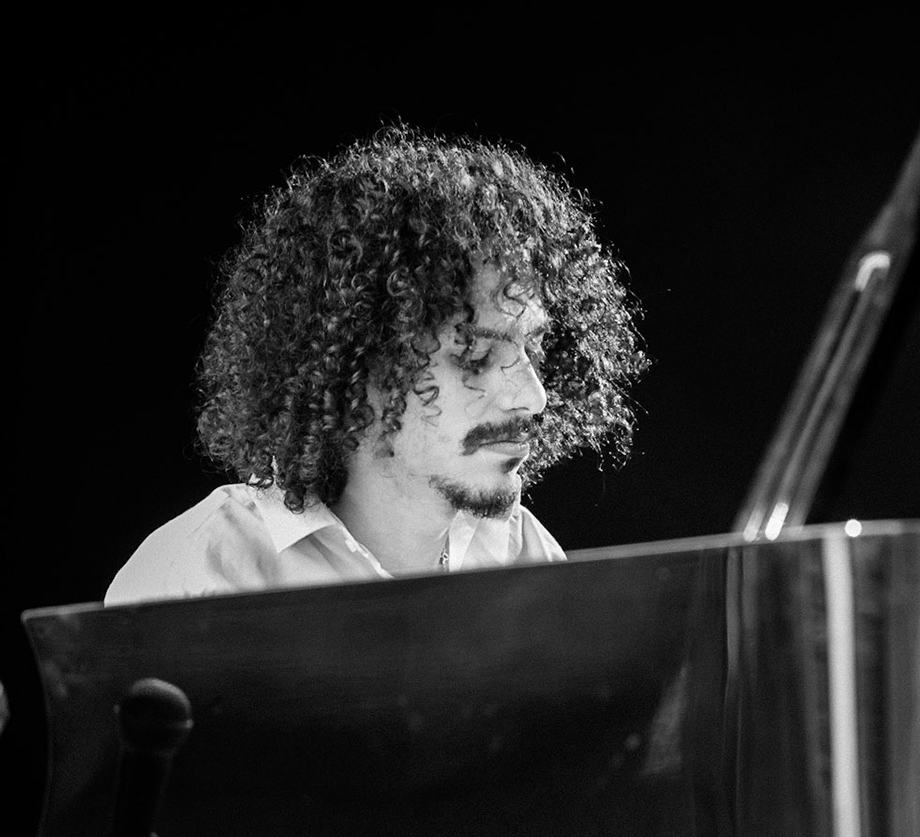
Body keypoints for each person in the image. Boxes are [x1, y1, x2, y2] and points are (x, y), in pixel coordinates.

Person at [106, 127, 646, 604]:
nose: (534, 397)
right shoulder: (201, 572)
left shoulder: (522, 553)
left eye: (533, 350)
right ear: (356, 369)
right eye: (477, 358)